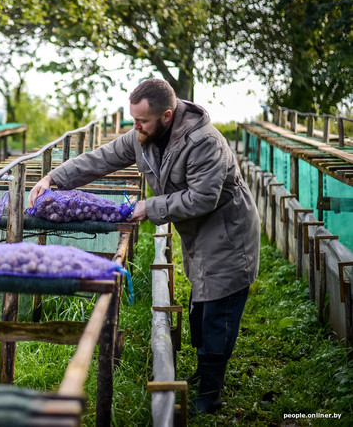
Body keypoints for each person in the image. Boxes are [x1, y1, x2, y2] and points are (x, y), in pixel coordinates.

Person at [28, 78, 259, 414]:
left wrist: (149, 207)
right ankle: (203, 373)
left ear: (167, 115)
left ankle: (211, 393)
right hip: (197, 232)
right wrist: (54, 178)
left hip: (227, 230)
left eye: (141, 121)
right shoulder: (145, 135)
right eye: (133, 120)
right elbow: (102, 158)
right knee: (200, 303)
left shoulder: (204, 142)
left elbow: (203, 197)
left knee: (218, 309)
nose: (135, 127)